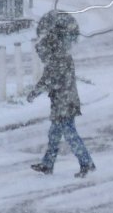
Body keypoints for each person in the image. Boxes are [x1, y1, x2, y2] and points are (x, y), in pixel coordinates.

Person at [27, 10, 96, 178]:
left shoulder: (58, 59)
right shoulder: (60, 57)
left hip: (65, 103)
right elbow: (50, 79)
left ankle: (86, 163)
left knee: (70, 135)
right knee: (54, 135)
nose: (42, 57)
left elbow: (50, 80)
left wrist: (35, 92)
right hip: (63, 102)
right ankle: (47, 164)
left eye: (42, 54)